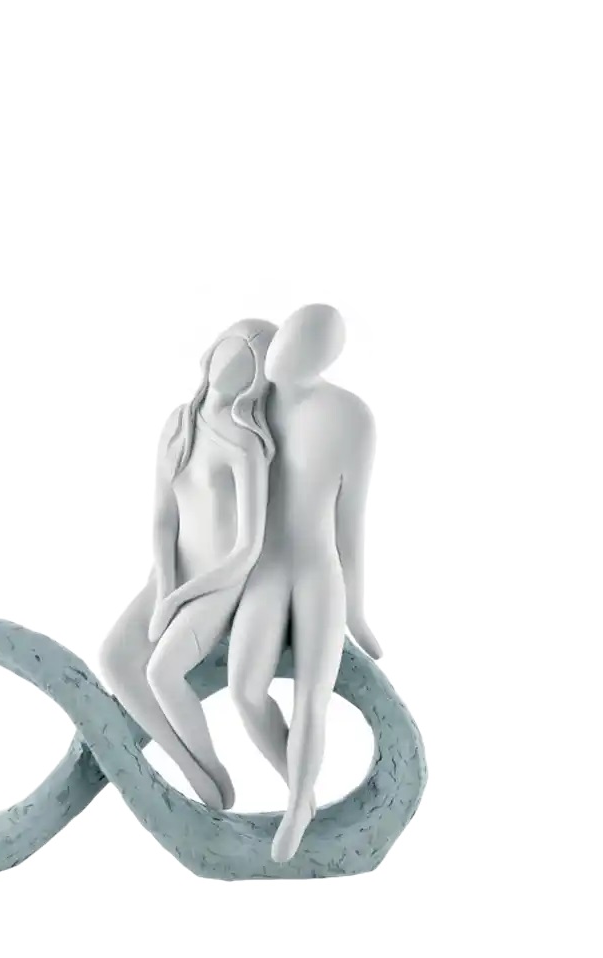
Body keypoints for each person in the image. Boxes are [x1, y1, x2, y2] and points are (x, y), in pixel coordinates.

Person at [226, 304, 383, 862]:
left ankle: (296, 806)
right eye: (285, 338)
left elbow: (351, 523)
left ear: (324, 357)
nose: (284, 353)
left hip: (318, 571)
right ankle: (302, 790)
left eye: (303, 344)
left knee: (312, 695)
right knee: (244, 691)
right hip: (265, 570)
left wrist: (358, 610)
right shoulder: (251, 402)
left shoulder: (350, 416)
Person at [99, 318, 276, 810]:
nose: (232, 362)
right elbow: (163, 517)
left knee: (162, 672)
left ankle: (211, 768)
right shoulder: (179, 423)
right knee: (114, 658)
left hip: (219, 583)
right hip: (171, 570)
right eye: (231, 347)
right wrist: (164, 587)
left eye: (249, 358)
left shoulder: (247, 444)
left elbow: (248, 549)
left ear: (259, 378)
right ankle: (185, 762)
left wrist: (181, 598)